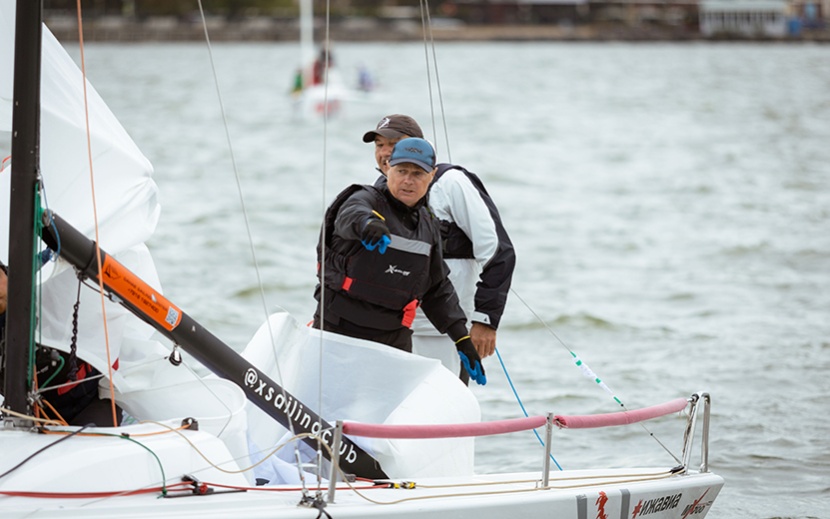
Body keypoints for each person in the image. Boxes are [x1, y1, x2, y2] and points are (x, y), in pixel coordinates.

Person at [314, 138, 485, 384]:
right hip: (339, 329)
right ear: (389, 169)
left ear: (432, 176)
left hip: (392, 337)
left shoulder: (428, 225)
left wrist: (461, 338)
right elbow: (350, 215)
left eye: (417, 173)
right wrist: (368, 224)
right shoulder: (364, 199)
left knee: (391, 411)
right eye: (402, 171)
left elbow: (436, 288)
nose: (408, 180)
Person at [362, 115, 516, 383]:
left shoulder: (452, 182)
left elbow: (498, 252)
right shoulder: (374, 194)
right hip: (393, 329)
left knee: (442, 408)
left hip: (445, 331)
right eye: (379, 144)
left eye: (393, 143)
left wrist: (485, 320)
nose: (385, 152)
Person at [0, 258, 120, 425]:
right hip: (30, 418)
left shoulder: (37, 272)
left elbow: (55, 255)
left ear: (6, 273)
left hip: (91, 401)